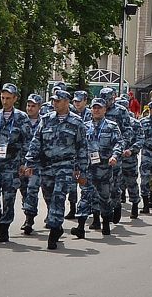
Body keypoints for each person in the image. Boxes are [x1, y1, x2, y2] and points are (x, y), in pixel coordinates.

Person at [23, 89, 88, 250]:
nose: (55, 103)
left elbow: (82, 147)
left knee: (59, 197)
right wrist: (30, 162)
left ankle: (53, 232)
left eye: (58, 101)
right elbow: (36, 142)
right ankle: (56, 225)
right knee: (49, 197)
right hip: (46, 166)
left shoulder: (76, 122)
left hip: (65, 166)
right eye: (53, 100)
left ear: (67, 102)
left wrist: (82, 170)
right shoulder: (46, 120)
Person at [0, 83, 33, 243]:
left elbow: (27, 142)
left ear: (15, 99)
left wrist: (24, 163)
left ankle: (4, 228)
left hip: (13, 162)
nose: (5, 101)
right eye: (3, 98)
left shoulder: (22, 117)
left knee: (8, 197)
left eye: (8, 98)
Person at [71, 98, 123, 238]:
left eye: (99, 108)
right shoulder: (84, 126)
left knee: (104, 197)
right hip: (87, 168)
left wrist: (115, 156)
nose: (96, 110)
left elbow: (119, 143)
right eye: (94, 108)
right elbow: (79, 148)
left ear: (105, 110)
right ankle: (80, 227)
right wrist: (77, 167)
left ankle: (105, 224)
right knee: (85, 196)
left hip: (104, 168)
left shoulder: (112, 126)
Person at [100, 87, 131, 223]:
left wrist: (120, 147)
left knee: (114, 183)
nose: (106, 102)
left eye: (108, 100)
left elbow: (127, 131)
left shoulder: (121, 111)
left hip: (114, 153)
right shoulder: (96, 109)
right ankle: (99, 214)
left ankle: (116, 204)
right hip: (98, 153)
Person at [19, 93, 45, 234]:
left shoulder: (45, 122)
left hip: (38, 164)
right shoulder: (21, 121)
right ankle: (28, 214)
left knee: (32, 190)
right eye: (28, 105)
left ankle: (29, 219)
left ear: (39, 107)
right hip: (23, 162)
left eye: (33, 106)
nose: (30, 108)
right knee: (24, 190)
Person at [116, 94, 145, 220]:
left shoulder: (134, 123)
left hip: (129, 159)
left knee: (131, 182)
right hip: (115, 158)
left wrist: (131, 150)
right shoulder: (112, 124)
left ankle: (134, 204)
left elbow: (140, 139)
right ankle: (115, 208)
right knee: (115, 184)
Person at [64, 90, 92, 219]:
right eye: (75, 101)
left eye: (79, 101)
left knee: (85, 183)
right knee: (71, 184)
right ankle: (72, 207)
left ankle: (87, 207)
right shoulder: (69, 115)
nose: (77, 103)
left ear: (85, 101)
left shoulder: (91, 114)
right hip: (71, 154)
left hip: (87, 153)